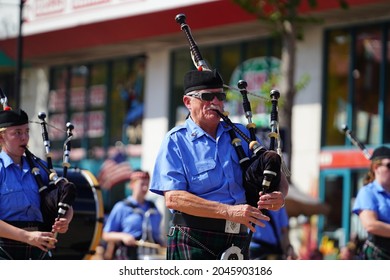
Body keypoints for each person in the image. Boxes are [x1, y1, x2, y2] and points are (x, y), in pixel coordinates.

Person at [150, 69, 289, 260]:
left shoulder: (241, 134)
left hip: (238, 238)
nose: (215, 102)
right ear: (188, 102)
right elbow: (174, 198)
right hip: (193, 238)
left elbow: (274, 170)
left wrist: (280, 195)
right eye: (207, 96)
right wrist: (229, 212)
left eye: (219, 96)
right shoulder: (176, 141)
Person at [0, 108, 73, 260]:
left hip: (38, 244)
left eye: (27, 132)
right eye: (17, 133)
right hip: (5, 247)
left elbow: (63, 200)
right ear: (1, 137)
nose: (24, 138)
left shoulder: (39, 168)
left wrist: (66, 219)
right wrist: (27, 236)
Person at [102, 170, 164, 260]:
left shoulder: (153, 208)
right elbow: (106, 235)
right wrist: (123, 236)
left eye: (147, 185)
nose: (145, 188)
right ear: (132, 185)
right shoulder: (122, 207)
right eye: (142, 184)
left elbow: (157, 234)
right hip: (128, 255)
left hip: (151, 255)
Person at [352, 146, 390, 260]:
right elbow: (370, 225)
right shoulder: (367, 192)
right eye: (389, 165)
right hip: (379, 253)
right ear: (376, 167)